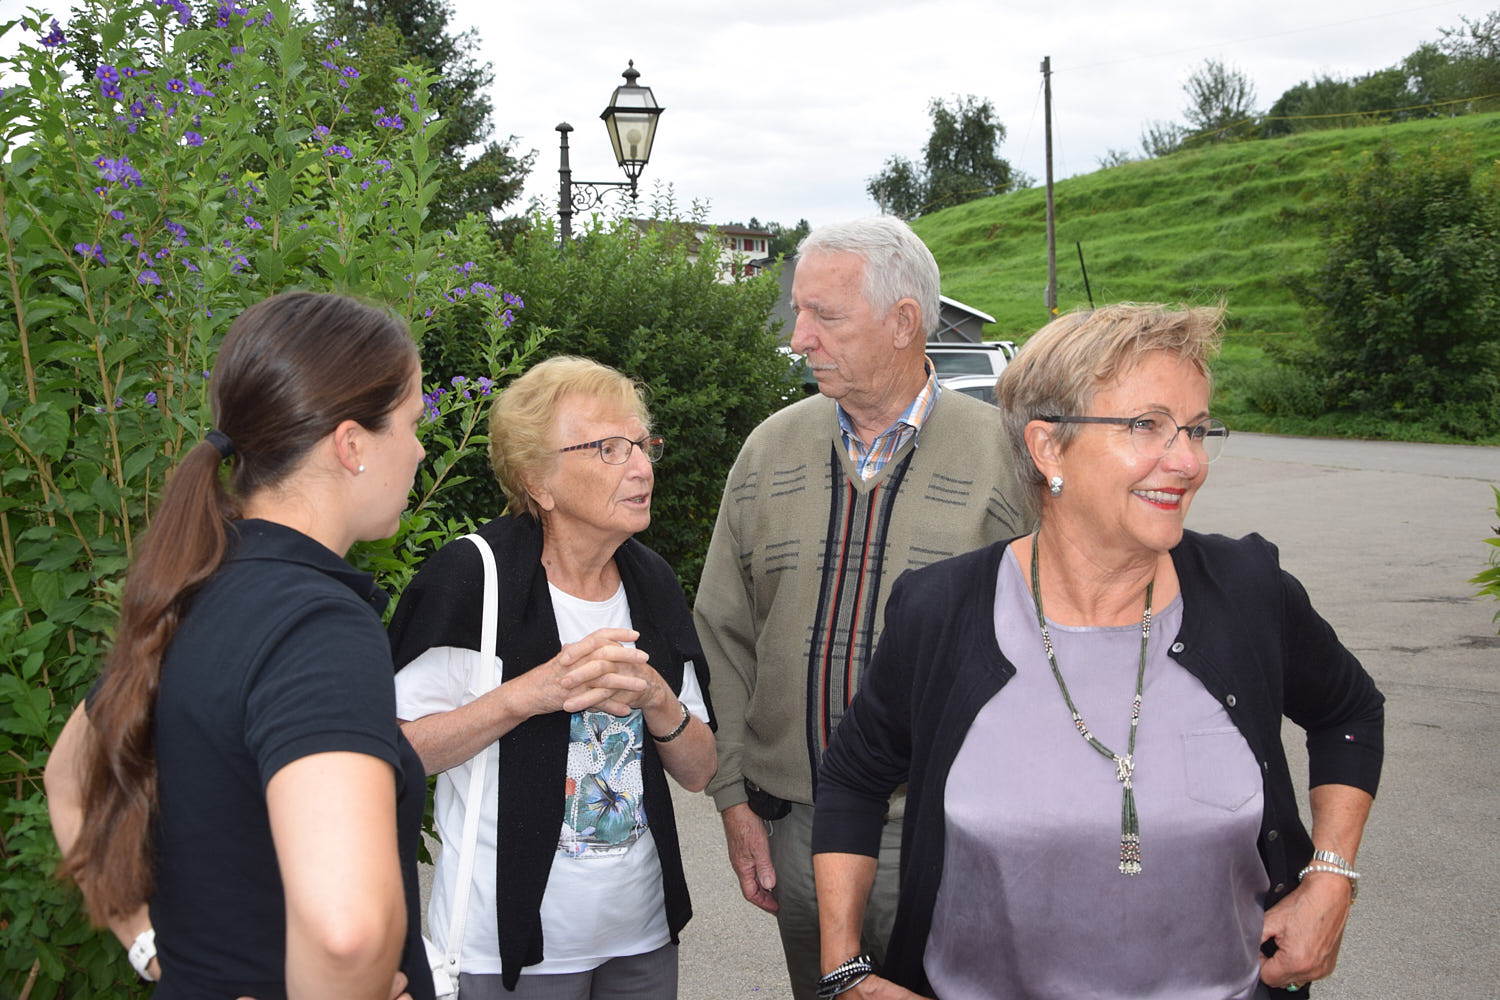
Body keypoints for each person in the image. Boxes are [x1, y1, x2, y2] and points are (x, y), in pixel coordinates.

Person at [811, 302, 1385, 1000]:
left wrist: (1331, 874)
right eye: (1147, 425)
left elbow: (1349, 712)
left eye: (1197, 429)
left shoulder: (1247, 590)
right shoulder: (942, 612)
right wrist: (844, 967)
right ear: (1048, 448)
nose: (1189, 461)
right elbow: (854, 777)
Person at [44, 292, 435, 999]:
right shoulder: (317, 628)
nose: (420, 449)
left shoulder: (191, 588)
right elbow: (347, 934)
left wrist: (151, 950)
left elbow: (67, 781)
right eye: (412, 424)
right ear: (351, 445)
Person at [693, 216, 1028, 999]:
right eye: (799, 313)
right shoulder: (768, 451)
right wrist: (734, 800)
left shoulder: (1007, 459)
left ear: (904, 321)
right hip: (798, 826)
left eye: (826, 316)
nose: (799, 338)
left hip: (951, 831)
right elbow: (722, 636)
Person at [388, 355, 717, 998]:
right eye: (609, 449)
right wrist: (531, 694)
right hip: (504, 949)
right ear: (538, 481)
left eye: (642, 445)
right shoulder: (474, 579)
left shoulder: (651, 582)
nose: (641, 468)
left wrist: (657, 699)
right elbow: (392, 752)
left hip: (641, 939)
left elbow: (701, 770)